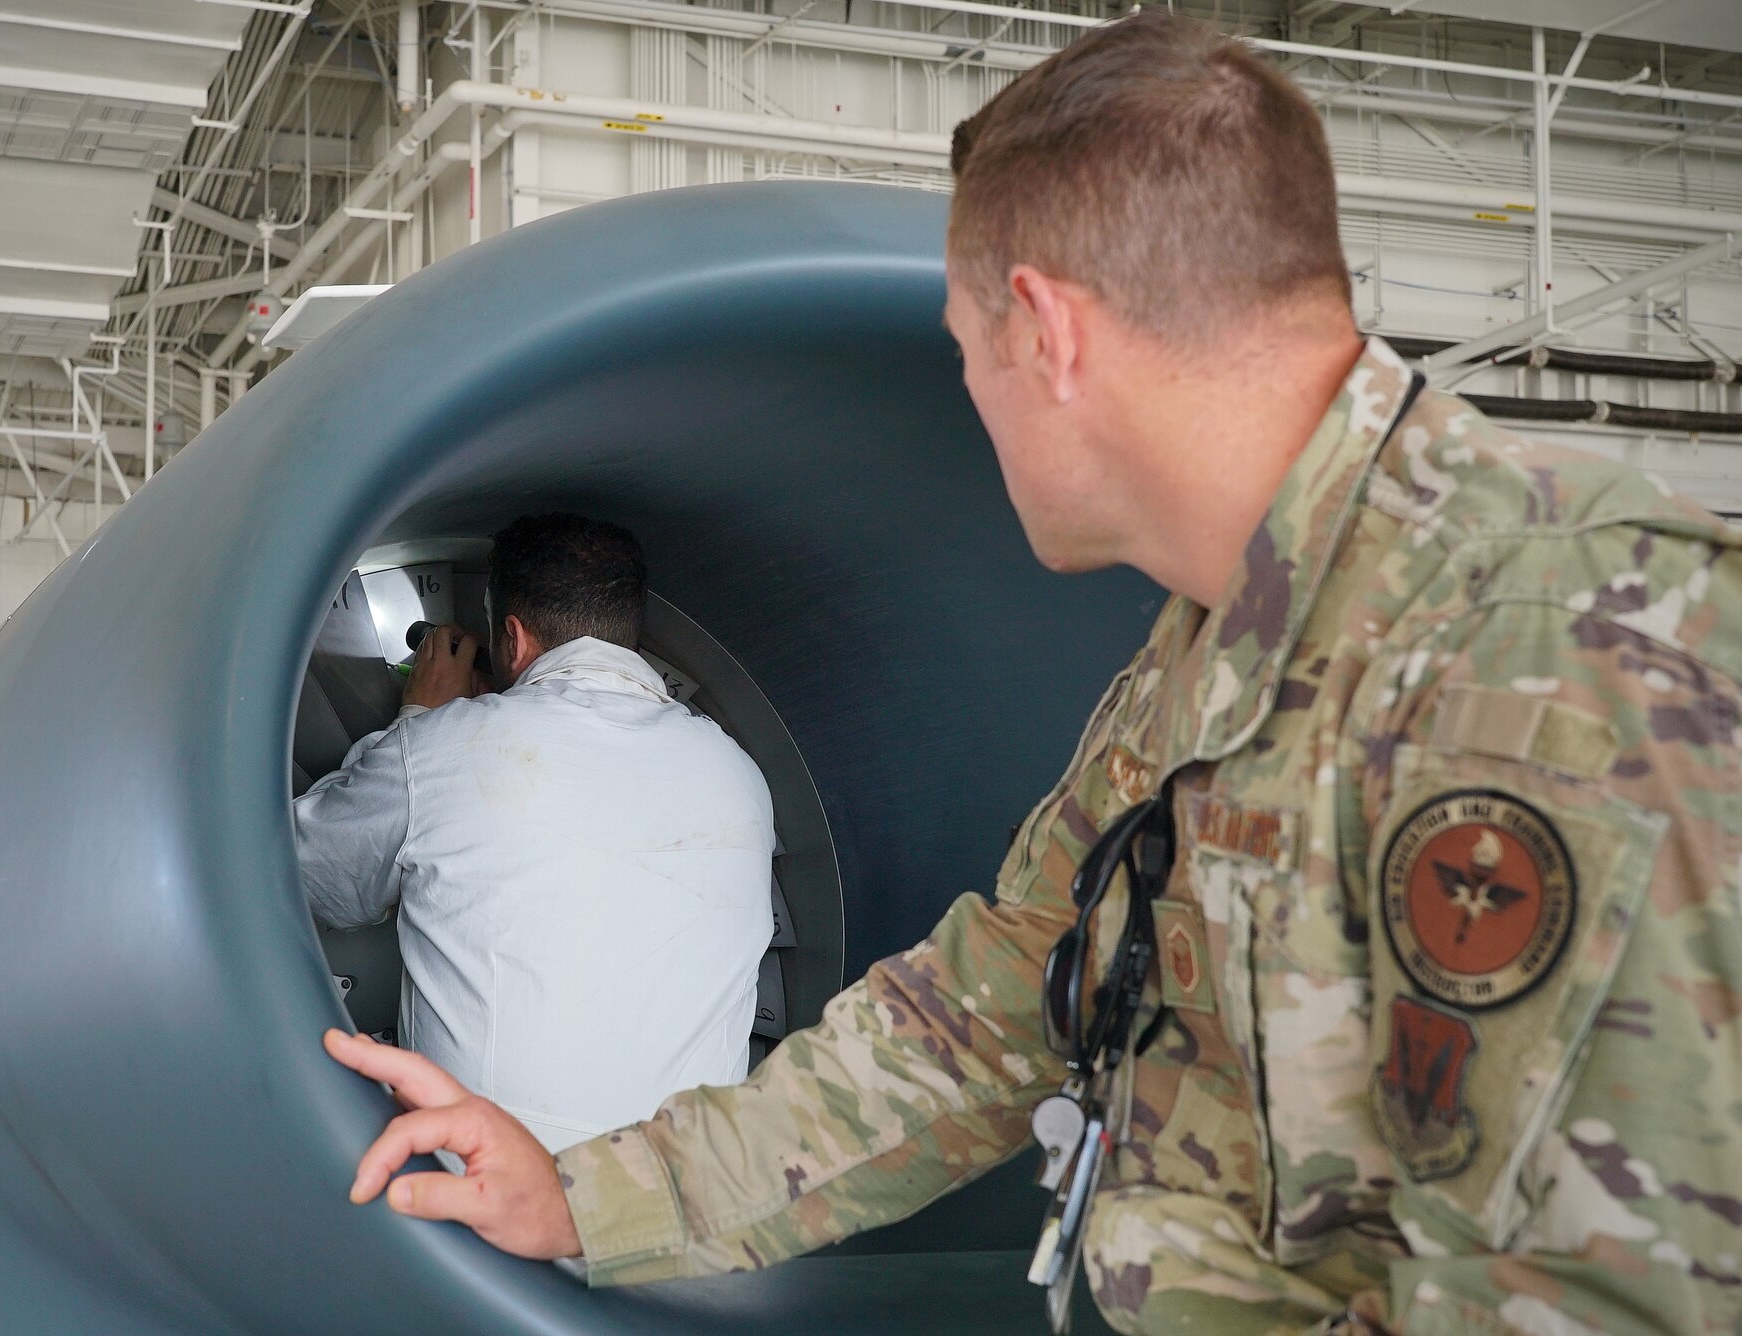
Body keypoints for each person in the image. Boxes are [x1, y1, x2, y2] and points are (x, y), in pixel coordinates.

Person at [322, 15, 1742, 1334]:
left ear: (1048, 333)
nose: (973, 403)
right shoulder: (1204, 661)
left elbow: (1613, 1281)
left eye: (968, 356)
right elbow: (990, 1016)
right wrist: (584, 1196)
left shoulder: (1571, 643)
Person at [296, 512, 775, 1152]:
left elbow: (311, 877)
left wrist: (419, 720)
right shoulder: (740, 774)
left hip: (491, 1198)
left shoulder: (440, 749)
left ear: (513, 640)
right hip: (690, 1206)